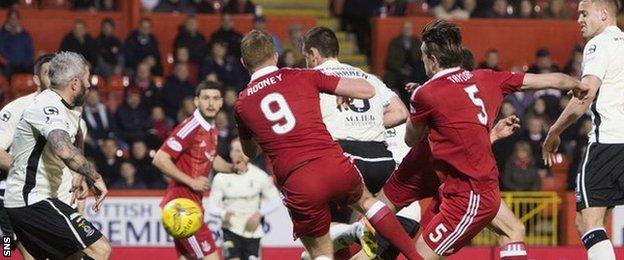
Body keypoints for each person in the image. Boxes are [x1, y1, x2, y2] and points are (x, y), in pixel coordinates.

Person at [381, 20, 587, 259]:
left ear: (434, 60)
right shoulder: (488, 78)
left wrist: (419, 108)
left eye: (424, 57)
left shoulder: (425, 93)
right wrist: (579, 84)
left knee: (398, 238)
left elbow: (410, 139)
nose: (422, 61)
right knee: (513, 230)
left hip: (463, 190)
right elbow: (555, 80)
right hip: (470, 182)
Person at [234, 29, 420, 259]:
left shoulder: (242, 104)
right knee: (368, 203)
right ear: (275, 55)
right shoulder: (300, 76)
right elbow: (367, 90)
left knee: (317, 250)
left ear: (244, 63)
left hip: (298, 179)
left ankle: (353, 231)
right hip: (338, 162)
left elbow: (250, 151)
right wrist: (344, 93)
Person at [4, 52, 110, 259]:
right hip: (31, 200)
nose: (90, 84)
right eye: (87, 79)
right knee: (100, 249)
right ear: (75, 84)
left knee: (74, 256)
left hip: (38, 199)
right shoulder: (48, 106)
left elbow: (70, 143)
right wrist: (95, 177)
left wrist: (79, 174)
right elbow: (62, 147)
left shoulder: (69, 109)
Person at [542, 1, 623, 259]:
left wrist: (553, 131)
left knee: (587, 223)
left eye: (584, 13)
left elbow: (583, 98)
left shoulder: (599, 44)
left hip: (608, 143)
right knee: (595, 219)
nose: (579, 19)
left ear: (603, 14)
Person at [152, 81, 246, 260]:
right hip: (182, 207)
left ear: (221, 102)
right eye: (206, 98)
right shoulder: (191, 127)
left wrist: (232, 168)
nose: (211, 103)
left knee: (188, 257)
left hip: (191, 205)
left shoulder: (211, 129)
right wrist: (191, 181)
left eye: (215, 98)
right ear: (196, 102)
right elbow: (160, 159)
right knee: (211, 257)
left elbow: (212, 159)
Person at [0, 54, 54, 259]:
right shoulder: (17, 109)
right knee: (11, 247)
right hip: (16, 192)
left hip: (55, 193)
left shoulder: (72, 111)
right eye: (49, 73)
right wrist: (29, 172)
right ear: (38, 79)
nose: (55, 78)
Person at [207, 138, 281, 260]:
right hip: (230, 229)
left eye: (242, 151)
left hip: (253, 231)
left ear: (248, 154)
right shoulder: (221, 178)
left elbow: (275, 200)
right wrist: (223, 213)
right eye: (235, 150)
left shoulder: (259, 175)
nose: (239, 154)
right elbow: (211, 206)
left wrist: (259, 214)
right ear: (230, 153)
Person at [0, 8, 33, 75]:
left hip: (24, 64)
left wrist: (26, 62)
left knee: (35, 70)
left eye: (15, 18)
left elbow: (30, 51)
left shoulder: (25, 34)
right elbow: (2, 50)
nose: (13, 21)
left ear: (18, 20)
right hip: (9, 65)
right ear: (8, 20)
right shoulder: (2, 34)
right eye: (11, 18)